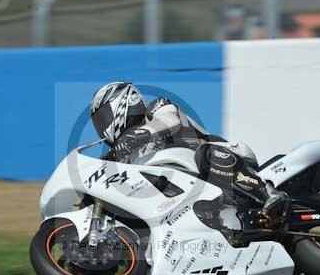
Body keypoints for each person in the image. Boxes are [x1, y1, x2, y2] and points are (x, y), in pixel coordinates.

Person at [89, 81, 290, 220]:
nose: (103, 126)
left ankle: (268, 194)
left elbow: (170, 121)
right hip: (198, 190)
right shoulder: (129, 157)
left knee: (203, 155)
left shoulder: (156, 107)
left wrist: (142, 134)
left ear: (124, 102)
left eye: (104, 117)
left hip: (223, 159)